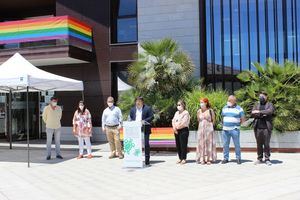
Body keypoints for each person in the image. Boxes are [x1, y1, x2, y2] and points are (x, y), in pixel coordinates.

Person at [251, 91, 275, 166]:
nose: (261, 97)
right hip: (258, 127)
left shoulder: (270, 104)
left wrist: (259, 112)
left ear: (266, 97)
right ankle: (259, 158)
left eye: (262, 96)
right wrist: (262, 114)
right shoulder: (256, 104)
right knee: (259, 144)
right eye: (260, 96)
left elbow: (270, 111)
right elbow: (253, 113)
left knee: (266, 144)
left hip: (266, 128)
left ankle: (267, 159)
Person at [129, 97, 154, 166]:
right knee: (136, 144)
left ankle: (147, 160)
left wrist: (144, 121)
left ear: (142, 102)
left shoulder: (147, 108)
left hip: (145, 128)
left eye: (139, 101)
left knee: (146, 144)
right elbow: (131, 117)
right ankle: (136, 159)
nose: (138, 103)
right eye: (136, 101)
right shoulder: (132, 109)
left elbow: (152, 116)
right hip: (135, 129)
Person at [221, 95, 245, 164]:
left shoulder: (239, 108)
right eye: (228, 100)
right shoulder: (224, 108)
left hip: (235, 129)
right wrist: (224, 124)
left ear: (234, 101)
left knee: (237, 144)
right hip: (225, 129)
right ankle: (225, 158)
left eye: (229, 100)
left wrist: (238, 125)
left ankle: (238, 158)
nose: (228, 101)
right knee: (225, 144)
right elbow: (223, 117)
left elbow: (243, 119)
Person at [196, 98, 217, 165]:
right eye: (200, 102)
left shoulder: (210, 110)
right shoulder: (199, 111)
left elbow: (213, 120)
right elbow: (198, 120)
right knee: (201, 144)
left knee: (209, 143)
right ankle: (202, 159)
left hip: (209, 130)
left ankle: (209, 159)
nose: (201, 104)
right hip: (201, 130)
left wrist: (210, 128)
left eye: (202, 102)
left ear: (206, 103)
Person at [172, 100, 190, 165]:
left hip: (183, 130)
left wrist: (177, 127)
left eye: (179, 105)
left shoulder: (186, 113)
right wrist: (174, 128)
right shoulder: (176, 113)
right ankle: (180, 158)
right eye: (177, 105)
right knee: (178, 145)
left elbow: (184, 122)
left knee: (183, 145)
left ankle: (184, 158)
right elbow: (173, 120)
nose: (178, 106)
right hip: (176, 131)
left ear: (183, 105)